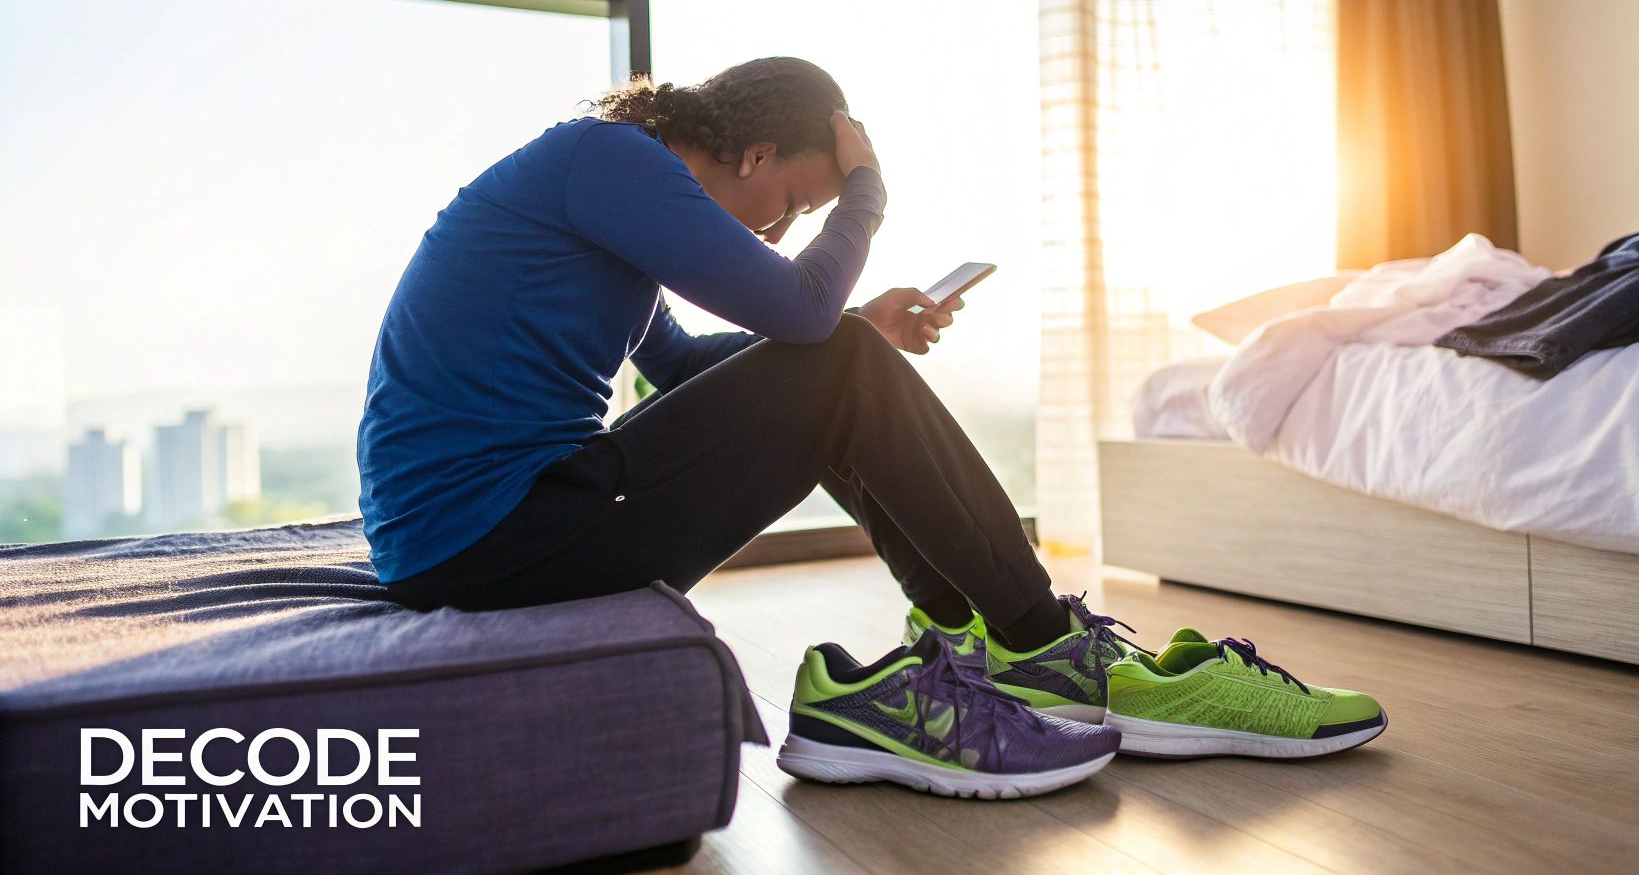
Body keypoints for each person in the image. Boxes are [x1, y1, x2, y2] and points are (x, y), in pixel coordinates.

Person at [358, 57, 1383, 799]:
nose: (780, 232)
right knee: (835, 351)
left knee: (842, 354)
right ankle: (1048, 649)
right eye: (795, 200)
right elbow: (798, 317)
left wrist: (855, 332)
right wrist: (866, 198)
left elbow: (680, 364)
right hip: (493, 537)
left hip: (496, 527)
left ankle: (954, 644)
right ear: (751, 150)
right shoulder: (608, 161)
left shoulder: (602, 194)